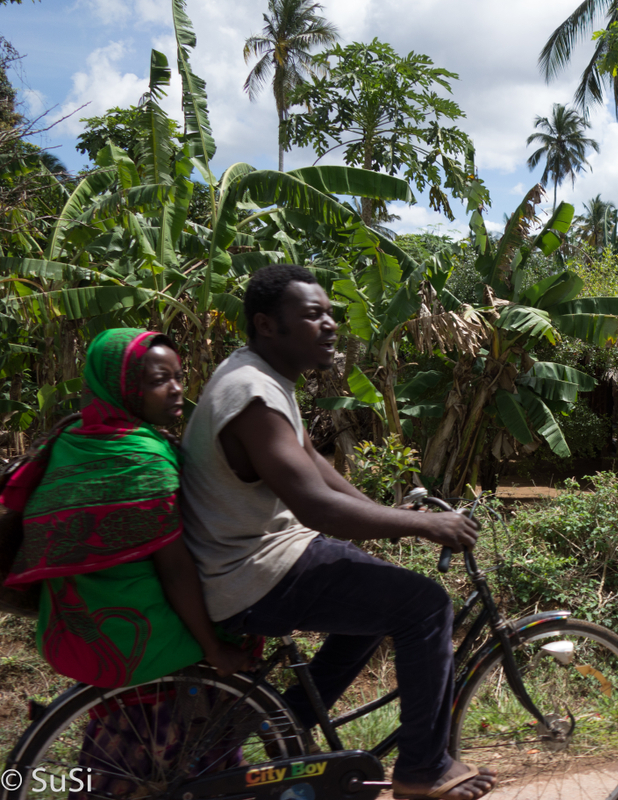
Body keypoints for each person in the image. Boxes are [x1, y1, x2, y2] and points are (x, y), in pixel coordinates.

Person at [180, 264, 496, 800]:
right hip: (252, 571)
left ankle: (285, 722)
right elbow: (314, 506)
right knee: (425, 606)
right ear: (267, 324)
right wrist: (423, 525)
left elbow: (314, 468)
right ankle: (424, 769)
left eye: (330, 313)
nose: (329, 324)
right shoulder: (252, 395)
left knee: (378, 606)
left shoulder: (264, 380)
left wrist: (384, 514)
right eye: (312, 315)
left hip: (258, 560)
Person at [0, 329, 255, 798]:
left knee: (116, 763)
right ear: (121, 386)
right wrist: (214, 649)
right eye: (161, 379)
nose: (177, 388)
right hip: (146, 639)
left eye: (179, 377)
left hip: (83, 632)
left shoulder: (71, 440)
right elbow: (175, 569)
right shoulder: (141, 458)